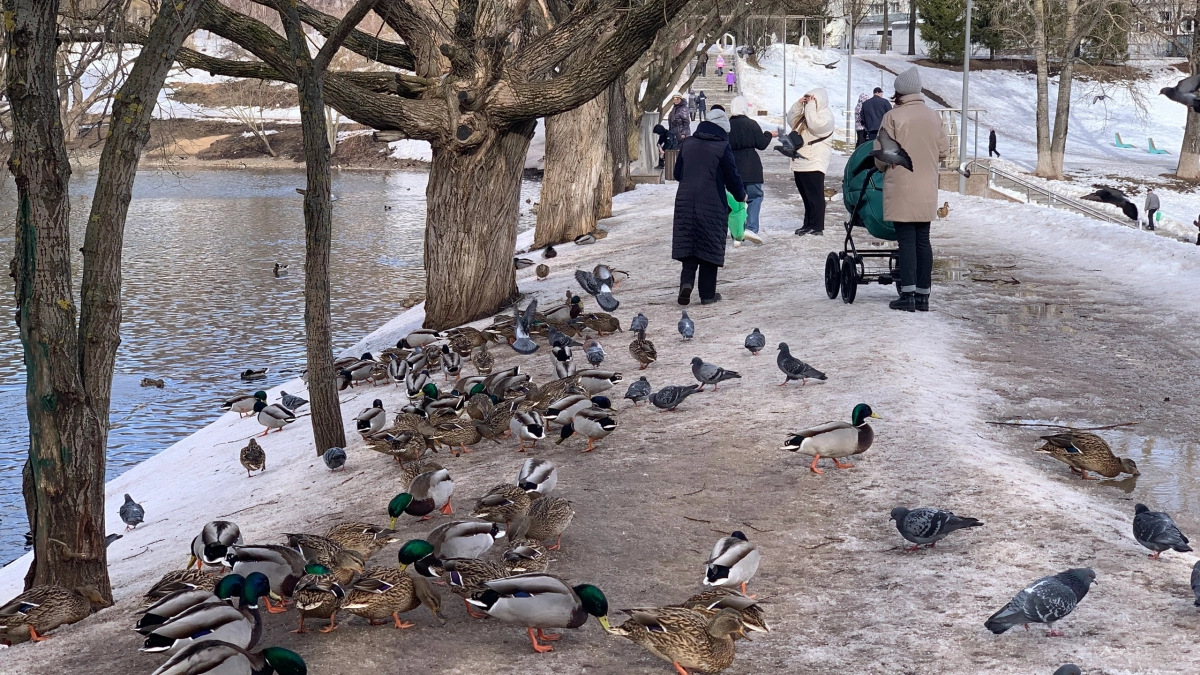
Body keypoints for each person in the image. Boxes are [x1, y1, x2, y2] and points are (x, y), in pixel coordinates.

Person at [874, 66, 949, 312]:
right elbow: (944, 151)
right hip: (927, 185)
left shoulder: (893, 117)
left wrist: (884, 167)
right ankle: (923, 296)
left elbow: (882, 154)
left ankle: (907, 295)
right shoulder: (934, 116)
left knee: (906, 240)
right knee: (923, 240)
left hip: (902, 185)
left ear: (899, 91)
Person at [672, 106, 746, 306]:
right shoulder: (722, 146)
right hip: (711, 202)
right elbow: (732, 177)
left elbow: (677, 174)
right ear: (723, 129)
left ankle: (686, 284)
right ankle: (707, 294)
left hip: (685, 202)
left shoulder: (688, 144)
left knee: (689, 244)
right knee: (708, 247)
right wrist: (741, 195)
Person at [727, 96, 776, 246]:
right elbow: (761, 144)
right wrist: (768, 134)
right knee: (755, 197)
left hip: (732, 166)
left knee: (735, 201)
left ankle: (737, 232)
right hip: (751, 166)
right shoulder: (752, 124)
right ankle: (751, 228)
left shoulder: (727, 126)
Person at [787, 87, 835, 236]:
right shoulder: (807, 113)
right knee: (806, 196)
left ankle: (817, 226)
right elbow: (792, 121)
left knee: (815, 195)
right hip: (802, 159)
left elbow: (815, 125)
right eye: (807, 98)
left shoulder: (825, 116)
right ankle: (808, 224)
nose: (808, 101)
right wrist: (798, 105)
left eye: (811, 98)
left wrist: (810, 106)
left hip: (815, 160)